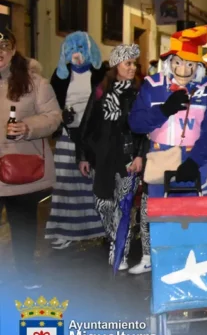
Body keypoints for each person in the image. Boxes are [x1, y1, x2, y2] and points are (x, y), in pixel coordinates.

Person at [128, 25, 207, 274]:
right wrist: (163, 110)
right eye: (179, 63)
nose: (184, 70)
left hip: (195, 160)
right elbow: (136, 123)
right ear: (170, 61)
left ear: (198, 66)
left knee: (193, 217)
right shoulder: (152, 85)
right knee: (158, 213)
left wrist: (194, 161)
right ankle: (155, 259)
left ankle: (194, 265)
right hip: (161, 157)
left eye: (191, 65)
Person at [76, 44, 147, 270]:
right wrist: (84, 155)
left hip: (127, 158)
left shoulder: (140, 91)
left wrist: (140, 155)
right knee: (103, 203)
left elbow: (146, 128)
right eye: (128, 63)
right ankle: (116, 240)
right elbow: (88, 122)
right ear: (116, 64)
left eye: (134, 64)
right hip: (103, 156)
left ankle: (120, 254)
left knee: (124, 206)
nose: (132, 67)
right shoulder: (101, 90)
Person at [0, 30, 62, 289]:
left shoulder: (34, 83)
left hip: (19, 171)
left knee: (23, 227)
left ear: (13, 50)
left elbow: (53, 116)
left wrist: (27, 127)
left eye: (4, 46)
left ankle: (27, 274)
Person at [46, 31, 106, 249]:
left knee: (93, 185)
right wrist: (62, 116)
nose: (76, 55)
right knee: (65, 185)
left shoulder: (100, 75)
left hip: (92, 139)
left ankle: (99, 228)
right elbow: (51, 103)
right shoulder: (60, 76)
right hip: (68, 137)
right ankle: (65, 230)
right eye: (71, 51)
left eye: (81, 50)